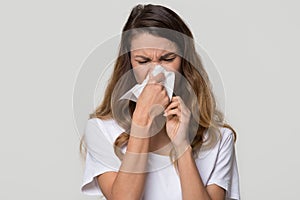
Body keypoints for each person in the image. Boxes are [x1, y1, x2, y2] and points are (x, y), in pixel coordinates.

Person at [80, 4, 240, 200]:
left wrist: (182, 146)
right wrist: (141, 121)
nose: (156, 73)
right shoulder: (102, 130)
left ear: (184, 62)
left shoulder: (218, 139)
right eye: (143, 61)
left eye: (167, 58)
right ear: (129, 63)